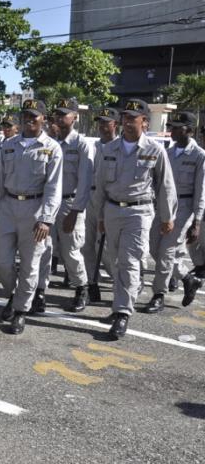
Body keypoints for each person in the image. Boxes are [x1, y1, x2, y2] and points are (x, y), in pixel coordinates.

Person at [91, 98, 176, 339]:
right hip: (111, 211)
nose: (127, 123)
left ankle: (122, 313)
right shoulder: (109, 149)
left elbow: (165, 186)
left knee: (128, 261)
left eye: (133, 119)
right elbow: (99, 186)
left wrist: (167, 217)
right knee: (117, 262)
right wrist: (99, 216)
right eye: (125, 118)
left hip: (139, 212)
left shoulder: (154, 150)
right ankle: (122, 302)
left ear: (145, 122)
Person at [0, 99, 63, 335]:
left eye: (35, 116)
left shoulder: (52, 148)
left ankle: (21, 310)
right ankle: (15, 294)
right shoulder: (8, 146)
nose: (30, 119)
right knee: (1, 261)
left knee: (31, 265)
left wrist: (46, 218)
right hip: (8, 206)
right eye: (26, 115)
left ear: (44, 119)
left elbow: (53, 187)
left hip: (35, 209)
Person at [144, 111, 203, 313]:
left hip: (185, 208)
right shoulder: (167, 153)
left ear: (190, 130)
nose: (172, 131)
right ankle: (188, 278)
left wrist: (197, 221)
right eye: (171, 127)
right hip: (163, 206)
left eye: (177, 127)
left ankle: (158, 295)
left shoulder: (199, 156)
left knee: (167, 252)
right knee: (154, 247)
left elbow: (201, 191)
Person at [38, 98, 94, 313]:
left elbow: (85, 182)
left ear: (75, 117)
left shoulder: (81, 145)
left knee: (70, 251)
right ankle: (40, 291)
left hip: (70, 202)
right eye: (58, 114)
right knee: (43, 249)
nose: (60, 118)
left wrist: (76, 211)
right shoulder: (49, 143)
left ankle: (82, 288)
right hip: (47, 203)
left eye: (65, 114)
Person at [76, 107, 119, 310]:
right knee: (87, 246)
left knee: (108, 250)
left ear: (115, 124)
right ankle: (92, 283)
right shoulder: (92, 146)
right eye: (100, 122)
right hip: (92, 198)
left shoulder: (121, 147)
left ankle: (122, 281)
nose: (102, 126)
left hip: (111, 202)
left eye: (106, 122)